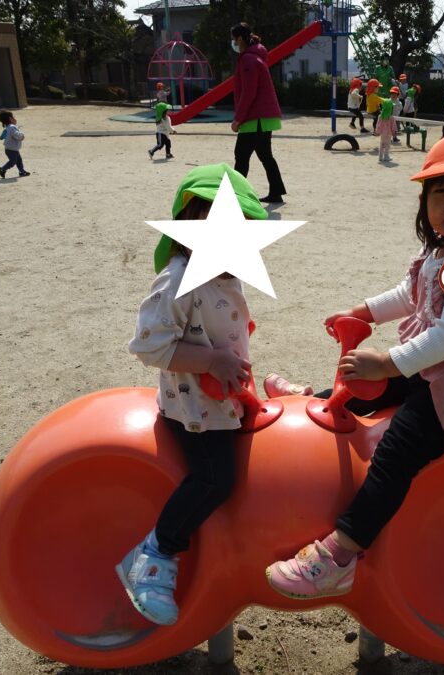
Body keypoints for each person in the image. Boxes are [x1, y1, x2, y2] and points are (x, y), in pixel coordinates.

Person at [265, 128, 444, 599]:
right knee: (363, 385)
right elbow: (409, 295)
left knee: (396, 449)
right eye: (440, 191)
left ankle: (340, 555)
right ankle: (316, 400)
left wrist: (388, 363)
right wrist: (363, 312)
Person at [118, 163, 268, 625]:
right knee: (215, 479)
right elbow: (149, 345)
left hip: (220, 400)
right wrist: (211, 361)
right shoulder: (178, 279)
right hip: (194, 412)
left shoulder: (224, 273)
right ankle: (154, 554)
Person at [230, 22, 287, 204]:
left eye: (234, 39)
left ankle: (236, 196)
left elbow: (249, 93)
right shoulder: (255, 57)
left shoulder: (248, 60)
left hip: (255, 118)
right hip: (262, 117)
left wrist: (238, 119)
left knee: (241, 156)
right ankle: (276, 192)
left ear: (240, 39)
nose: (233, 43)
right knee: (264, 156)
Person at [0, 110, 30, 178]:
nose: (15, 118)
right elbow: (16, 135)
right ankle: (2, 169)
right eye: (14, 117)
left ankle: (22, 171)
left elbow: (4, 136)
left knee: (19, 161)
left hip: (12, 148)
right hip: (11, 149)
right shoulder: (12, 127)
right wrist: (22, 135)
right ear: (10, 119)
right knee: (13, 162)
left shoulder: (8, 127)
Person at [374, 90, 397, 162]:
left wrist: (377, 131)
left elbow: (378, 125)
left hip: (382, 133)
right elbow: (393, 127)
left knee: (382, 144)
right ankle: (386, 156)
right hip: (389, 133)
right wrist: (394, 133)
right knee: (387, 144)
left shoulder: (380, 116)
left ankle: (380, 156)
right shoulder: (391, 117)